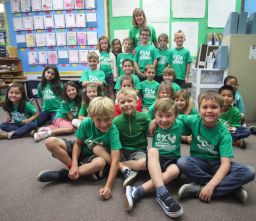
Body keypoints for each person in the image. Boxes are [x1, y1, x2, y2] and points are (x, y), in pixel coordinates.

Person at [37, 97, 122, 200]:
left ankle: (63, 175)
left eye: (107, 119)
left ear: (113, 116)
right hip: (79, 149)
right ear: (91, 117)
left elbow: (115, 161)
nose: (103, 124)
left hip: (93, 156)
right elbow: (77, 144)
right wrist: (73, 165)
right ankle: (77, 170)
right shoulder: (86, 123)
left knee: (100, 163)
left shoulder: (113, 131)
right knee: (50, 142)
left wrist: (108, 186)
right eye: (98, 120)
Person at [177, 91, 255, 203]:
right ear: (199, 110)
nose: (209, 110)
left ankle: (200, 189)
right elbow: (174, 116)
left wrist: (211, 186)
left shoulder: (224, 133)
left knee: (249, 172)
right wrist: (155, 121)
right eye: (205, 107)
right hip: (199, 162)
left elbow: (225, 164)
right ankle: (231, 190)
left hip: (217, 164)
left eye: (214, 107)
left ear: (221, 111)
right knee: (182, 162)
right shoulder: (193, 120)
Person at [125, 98, 184, 218]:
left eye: (169, 116)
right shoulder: (153, 124)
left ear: (176, 116)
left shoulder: (181, 124)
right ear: (155, 116)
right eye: (160, 116)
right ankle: (118, 164)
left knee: (175, 170)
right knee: (150, 152)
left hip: (171, 159)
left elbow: (197, 118)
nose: (164, 120)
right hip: (155, 159)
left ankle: (138, 191)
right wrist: (152, 120)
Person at [97, 88, 149, 187]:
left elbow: (151, 129)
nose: (126, 104)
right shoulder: (115, 121)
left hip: (138, 151)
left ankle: (116, 166)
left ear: (137, 103)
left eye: (130, 101)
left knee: (144, 163)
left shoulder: (144, 117)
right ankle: (129, 170)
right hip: (121, 151)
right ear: (118, 105)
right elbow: (109, 136)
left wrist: (154, 122)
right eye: (122, 102)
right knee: (98, 149)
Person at [95, 36, 117, 101]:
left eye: (105, 43)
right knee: (103, 91)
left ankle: (113, 106)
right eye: (102, 43)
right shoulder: (96, 53)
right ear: (99, 45)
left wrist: (115, 77)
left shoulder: (111, 54)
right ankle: (105, 106)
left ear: (108, 44)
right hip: (101, 76)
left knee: (111, 91)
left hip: (109, 75)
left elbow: (114, 66)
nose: (104, 45)